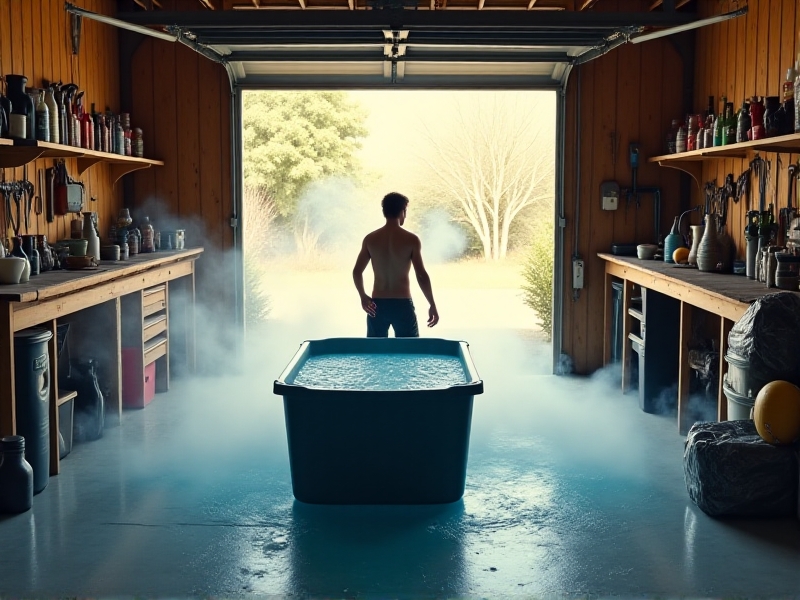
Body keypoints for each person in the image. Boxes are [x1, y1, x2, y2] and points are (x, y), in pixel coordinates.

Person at [352, 192, 439, 337]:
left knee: (375, 354)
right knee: (409, 354)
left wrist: (363, 296)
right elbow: (421, 275)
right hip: (402, 304)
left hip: (377, 305)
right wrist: (432, 304)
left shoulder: (370, 239)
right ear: (403, 210)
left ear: (384, 211)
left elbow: (356, 272)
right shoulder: (411, 240)